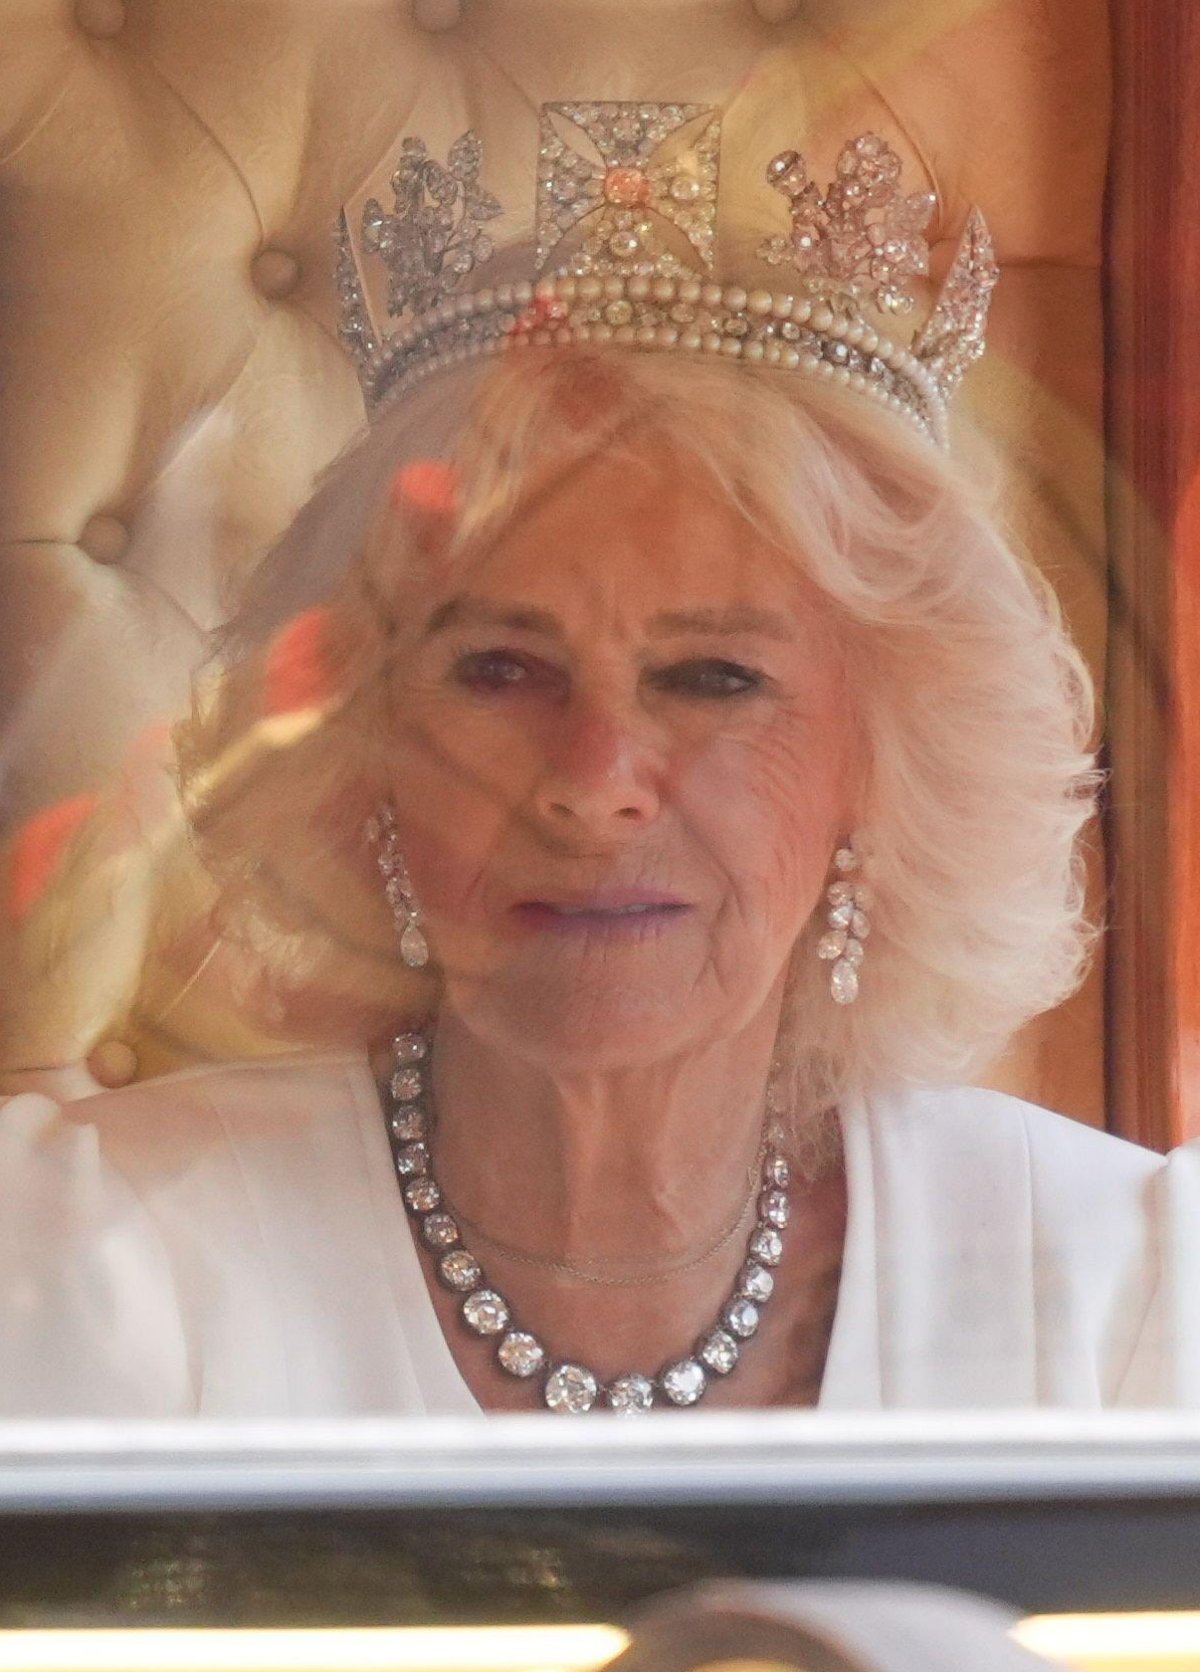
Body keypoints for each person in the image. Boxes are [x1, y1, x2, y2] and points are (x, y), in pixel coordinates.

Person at [2, 125, 1198, 1417]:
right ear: (367, 746)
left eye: (713, 679)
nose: (594, 781)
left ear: (883, 764)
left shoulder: (1124, 1308)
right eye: (502, 670)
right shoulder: (87, 1275)